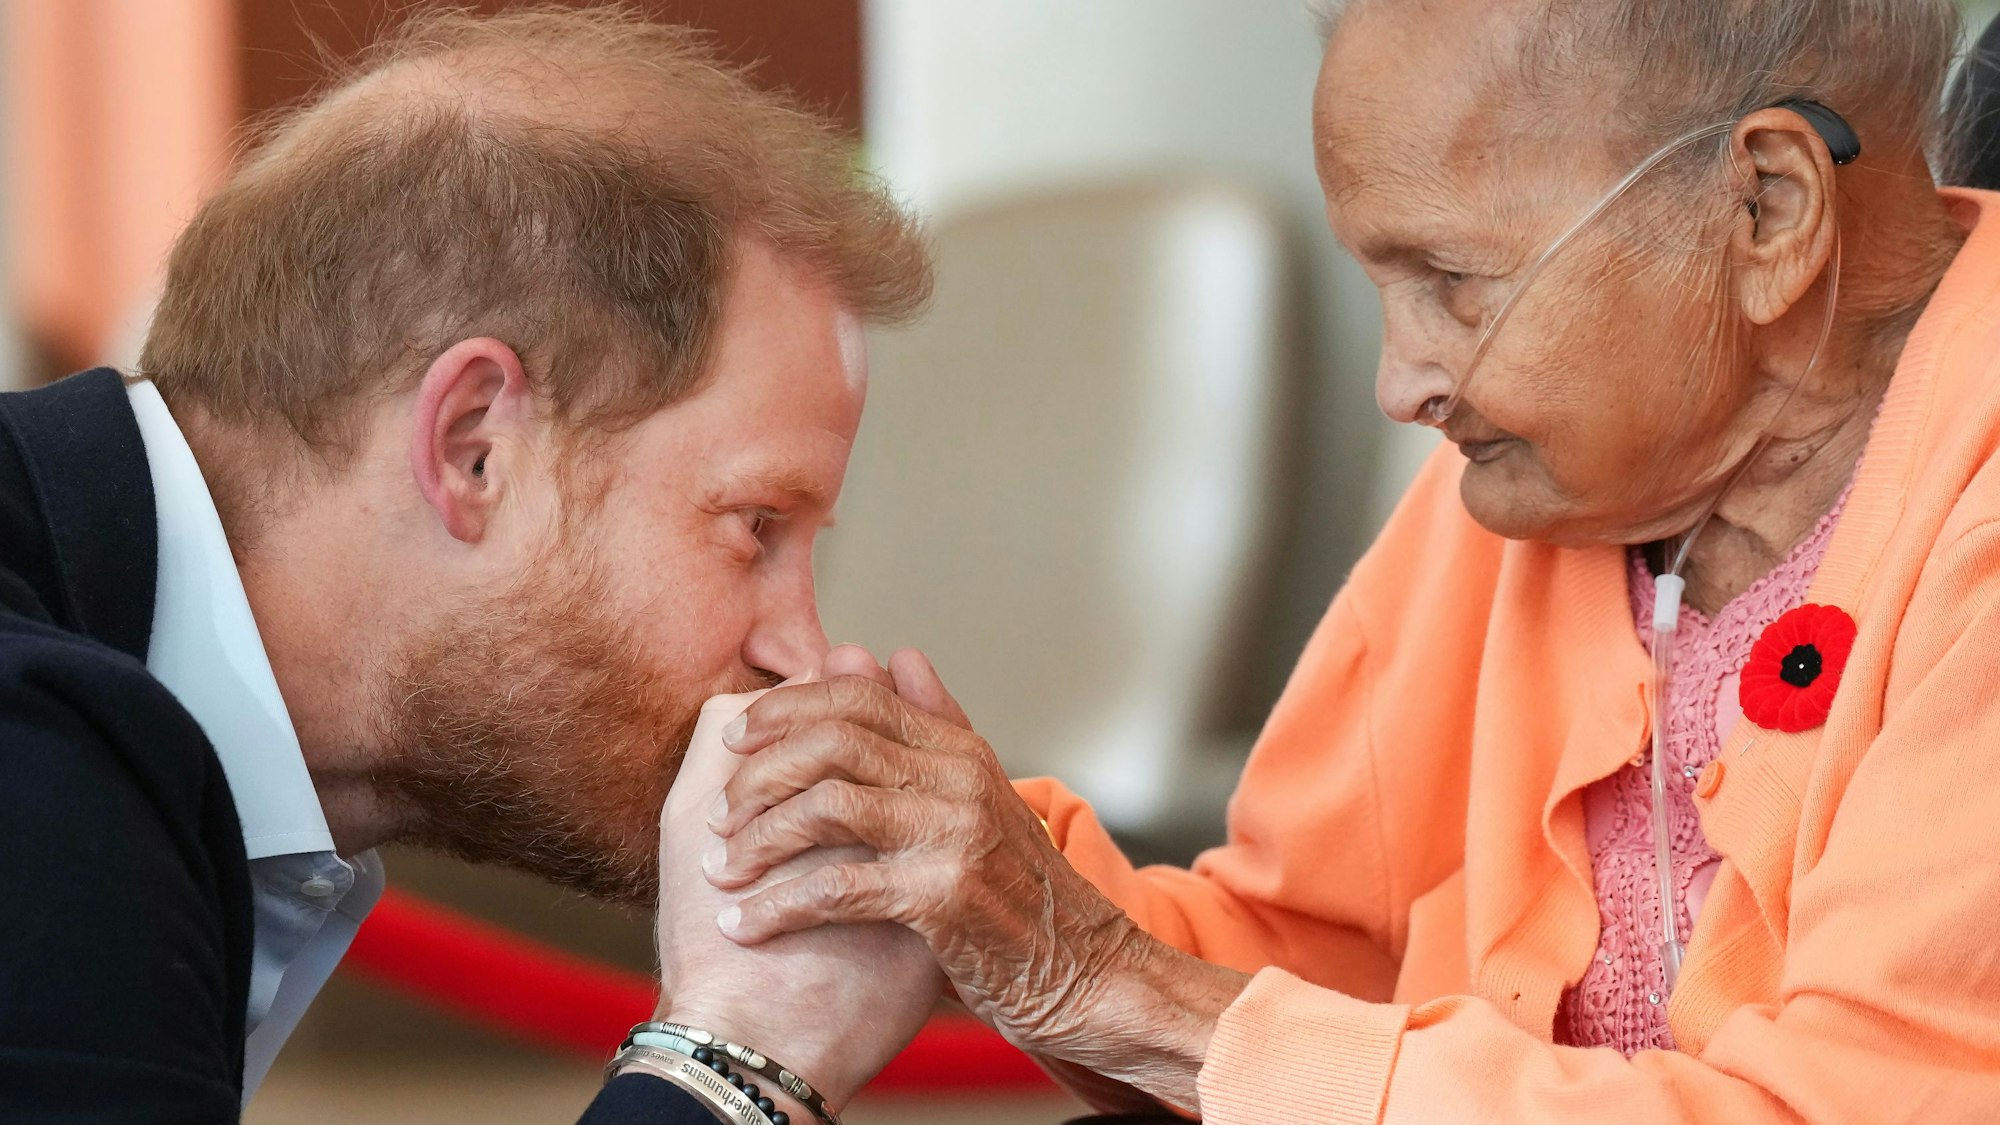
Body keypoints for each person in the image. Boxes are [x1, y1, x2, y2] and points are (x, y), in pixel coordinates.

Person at [695, 0, 2000, 1120]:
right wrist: (972, 879)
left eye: (1451, 278)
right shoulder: (1531, 489)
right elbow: (1309, 965)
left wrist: (1112, 983)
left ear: (1767, 209)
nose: (1401, 381)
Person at [0, 8, 943, 1123]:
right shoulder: (38, 766)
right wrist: (738, 1061)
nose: (798, 649)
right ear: (474, 445)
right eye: (753, 525)